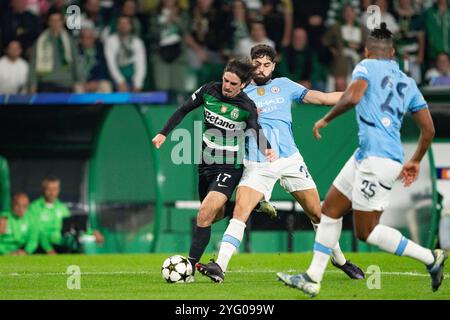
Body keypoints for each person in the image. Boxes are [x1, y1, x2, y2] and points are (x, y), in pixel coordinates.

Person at [276, 23, 447, 297]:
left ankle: (430, 257)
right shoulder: (408, 83)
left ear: (367, 51)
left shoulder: (365, 66)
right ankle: (312, 278)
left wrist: (326, 118)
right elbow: (429, 130)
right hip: (368, 156)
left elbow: (353, 96)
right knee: (329, 210)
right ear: (392, 53)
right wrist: (415, 160)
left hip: (377, 161)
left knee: (366, 231)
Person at [196, 44, 365, 283]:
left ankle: (340, 260)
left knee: (318, 213)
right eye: (257, 64)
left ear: (273, 66)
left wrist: (358, 95)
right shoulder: (239, 93)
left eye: (267, 65)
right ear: (250, 64)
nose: (262, 69)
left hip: (290, 160)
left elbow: (324, 97)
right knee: (240, 212)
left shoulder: (285, 85)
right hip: (258, 165)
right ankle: (219, 266)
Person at [152, 58, 277, 277]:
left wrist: (267, 148)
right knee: (211, 216)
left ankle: (188, 267)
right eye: (225, 80)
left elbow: (256, 129)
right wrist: (164, 132)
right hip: (205, 166)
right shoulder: (209, 90)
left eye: (233, 84)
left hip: (229, 167)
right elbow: (183, 110)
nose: (227, 86)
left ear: (244, 84)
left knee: (203, 213)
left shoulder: (246, 106)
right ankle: (250, 206)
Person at [28, 11, 80, 93]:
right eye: (52, 21)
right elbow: (33, 64)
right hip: (46, 83)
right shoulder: (40, 41)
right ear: (48, 23)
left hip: (66, 84)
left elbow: (76, 62)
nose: (55, 23)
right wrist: (32, 85)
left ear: (62, 22)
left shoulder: (69, 40)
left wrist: (78, 82)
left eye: (58, 20)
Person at [104, 15, 147, 92]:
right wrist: (120, 81)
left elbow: (141, 64)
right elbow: (111, 64)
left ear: (130, 26)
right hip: (115, 77)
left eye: (126, 23)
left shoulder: (137, 42)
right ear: (117, 26)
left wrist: (138, 84)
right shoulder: (111, 41)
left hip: (132, 76)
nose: (123, 26)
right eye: (121, 23)